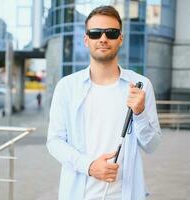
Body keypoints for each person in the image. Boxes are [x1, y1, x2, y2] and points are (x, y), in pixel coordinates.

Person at [47, 5, 161, 200]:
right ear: (86, 39)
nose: (103, 38)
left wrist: (140, 113)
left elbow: (152, 145)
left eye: (111, 32)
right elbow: (54, 142)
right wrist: (90, 166)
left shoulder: (140, 86)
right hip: (78, 194)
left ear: (120, 39)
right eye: (95, 33)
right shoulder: (67, 87)